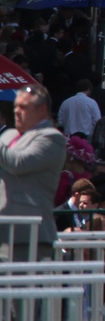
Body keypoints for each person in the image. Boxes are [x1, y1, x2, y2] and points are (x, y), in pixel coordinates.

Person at [0, 84, 69, 256]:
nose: (16, 111)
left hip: (30, 235)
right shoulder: (7, 135)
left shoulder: (52, 138)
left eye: (23, 107)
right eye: (15, 106)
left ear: (42, 110)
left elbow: (18, 163)